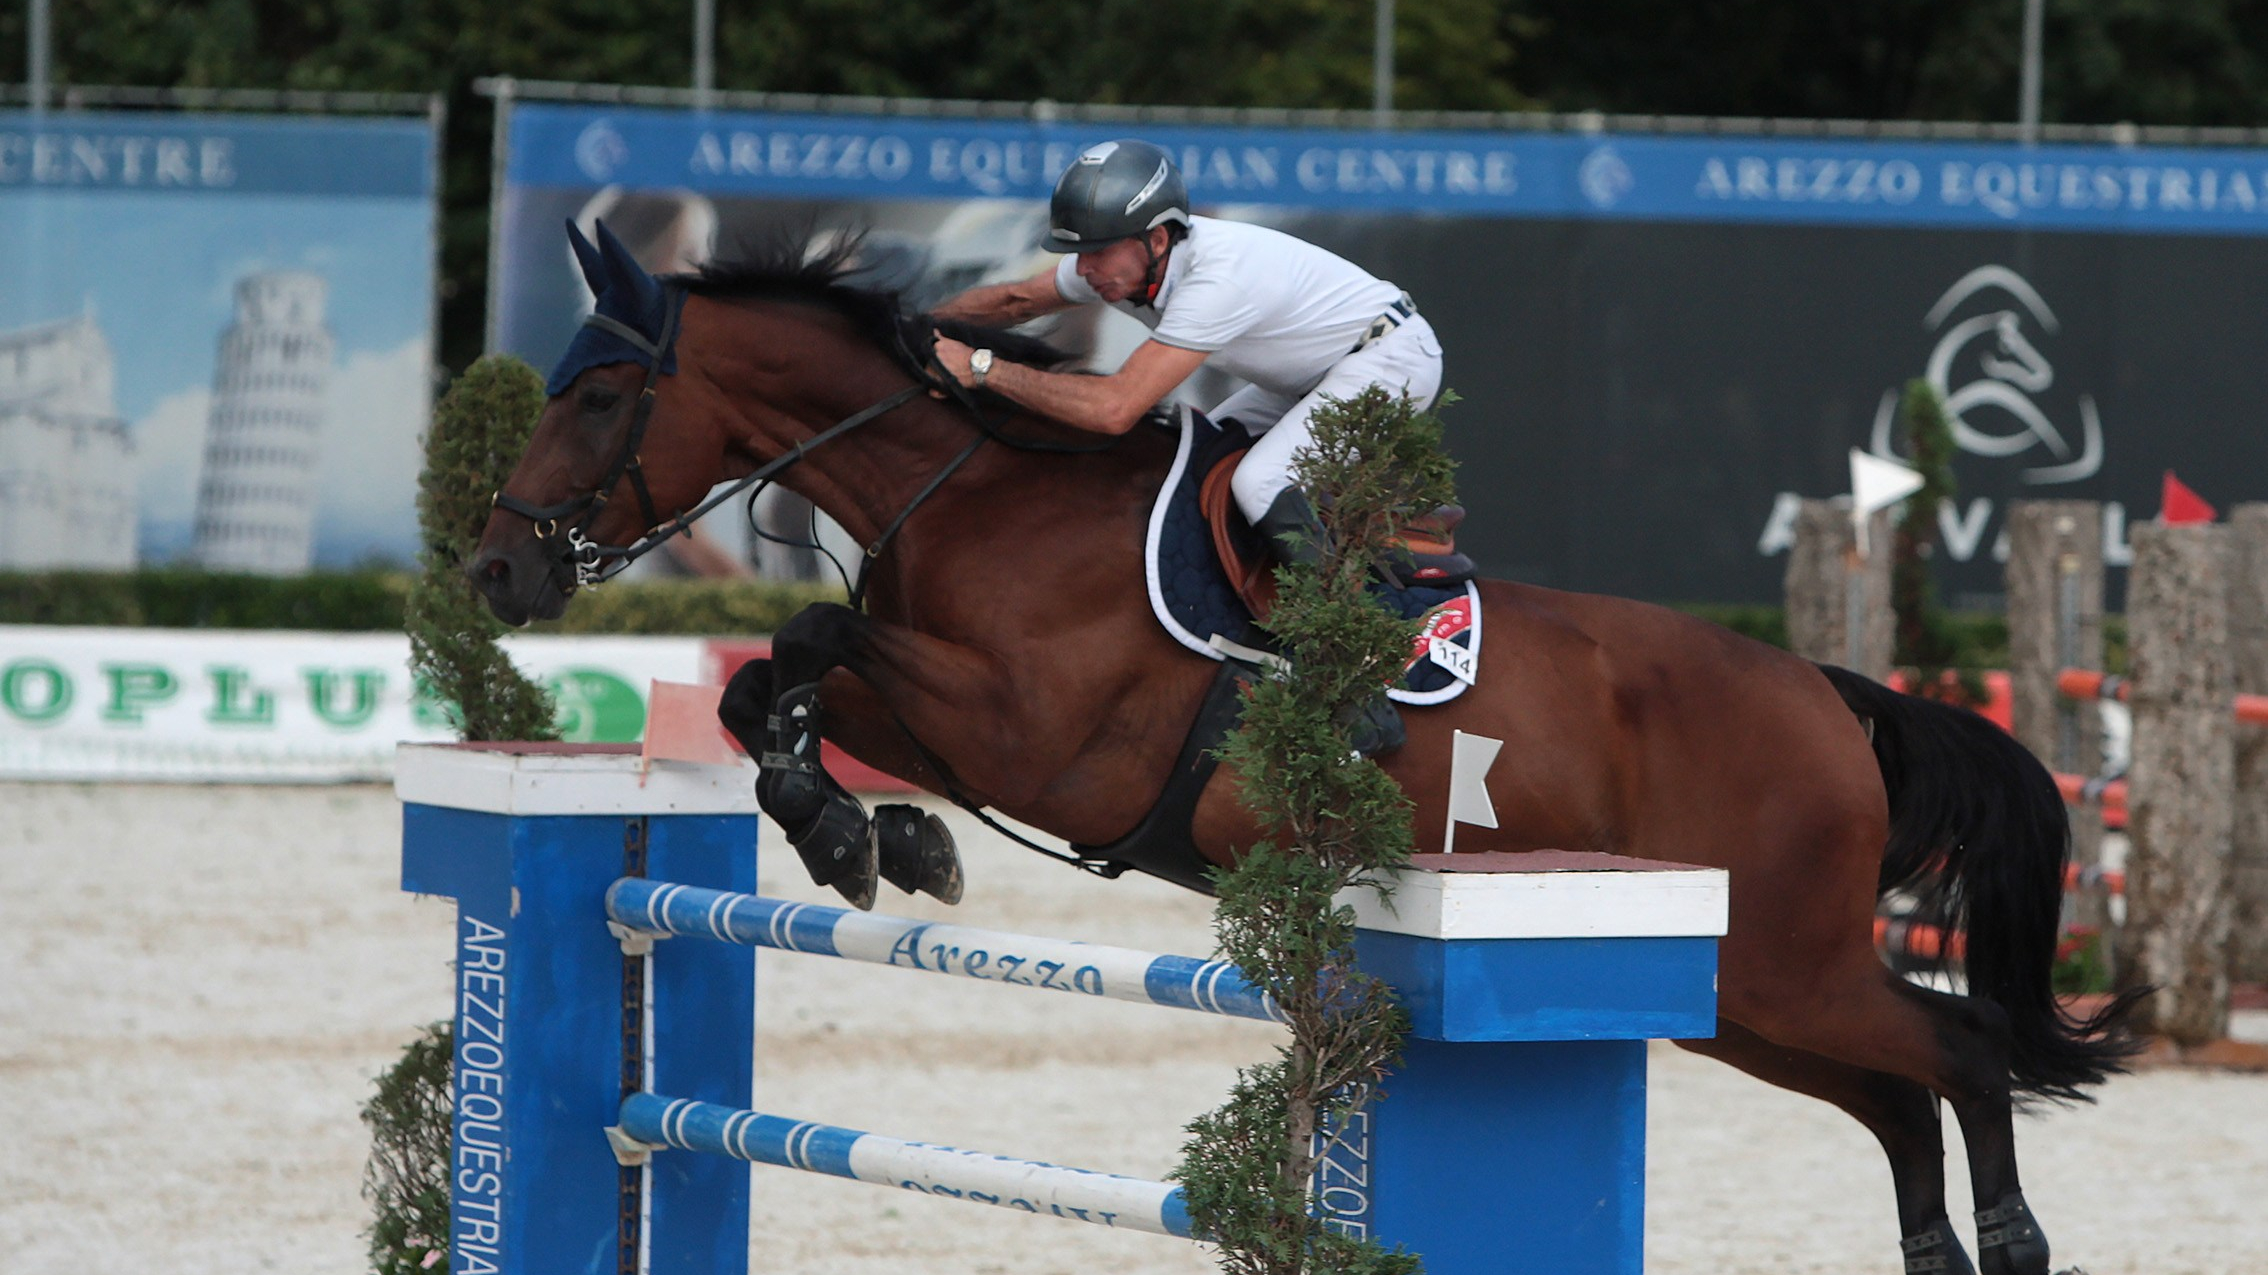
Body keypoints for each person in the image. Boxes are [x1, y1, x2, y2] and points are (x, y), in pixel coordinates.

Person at [929, 138, 1444, 575]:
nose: (1083, 268)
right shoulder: (1118, 265)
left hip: (1390, 360)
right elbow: (1012, 301)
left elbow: (1114, 410)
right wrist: (910, 333)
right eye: (1078, 251)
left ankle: (1347, 648)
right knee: (1191, 464)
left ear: (1156, 238)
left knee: (1259, 483)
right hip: (1312, 373)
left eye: (1099, 249)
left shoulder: (1216, 278)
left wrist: (981, 368)